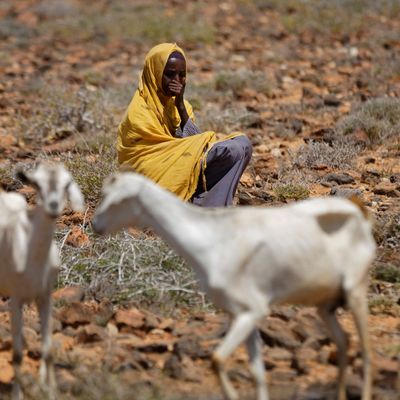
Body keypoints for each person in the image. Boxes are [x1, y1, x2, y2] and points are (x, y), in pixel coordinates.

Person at [118, 43, 252, 207]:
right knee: (233, 150)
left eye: (182, 75)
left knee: (243, 144)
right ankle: (209, 209)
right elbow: (148, 162)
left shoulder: (180, 107)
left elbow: (195, 146)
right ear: (155, 74)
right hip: (154, 184)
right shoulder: (139, 111)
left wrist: (180, 105)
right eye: (169, 74)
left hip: (181, 171)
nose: (176, 81)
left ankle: (211, 206)